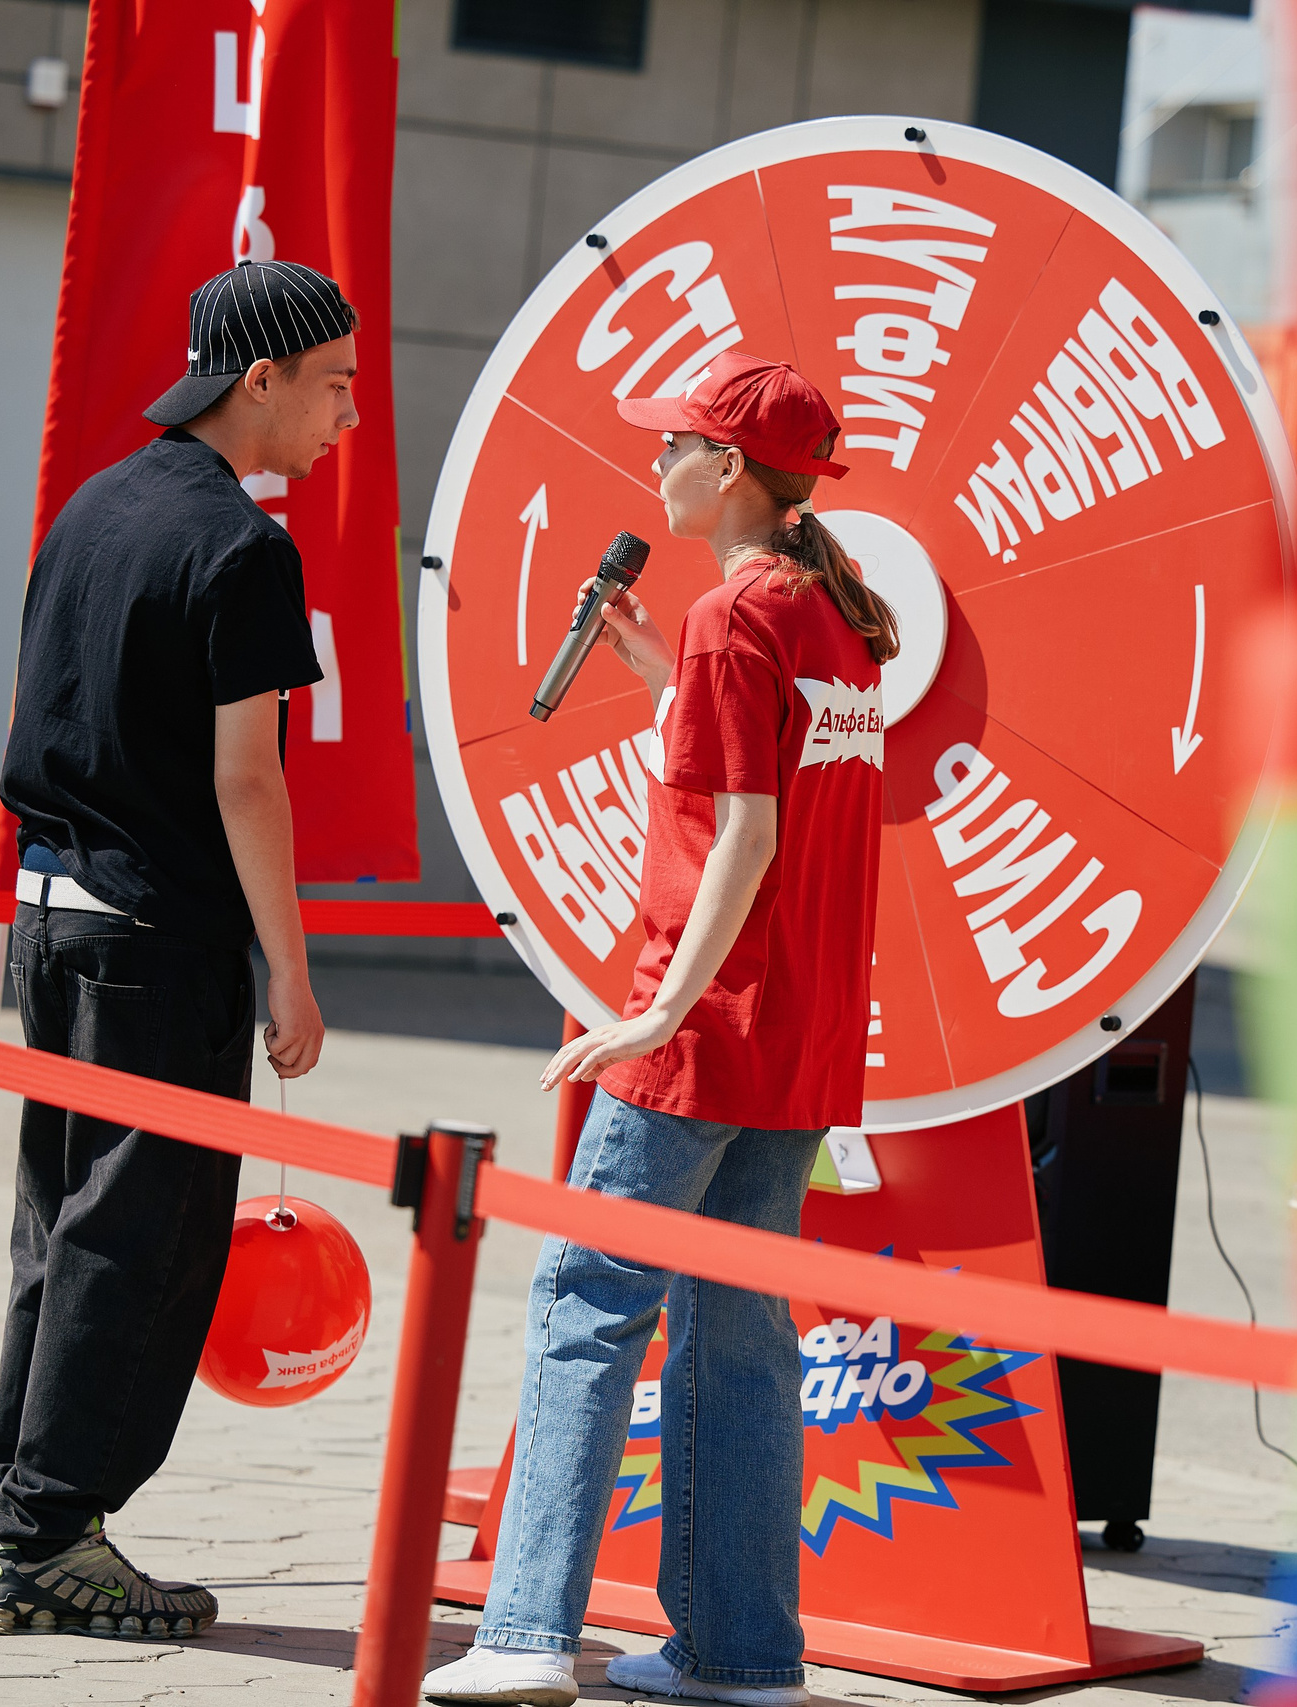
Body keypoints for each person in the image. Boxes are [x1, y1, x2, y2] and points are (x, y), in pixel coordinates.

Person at [422, 351, 898, 1707]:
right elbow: (761, 784)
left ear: (732, 468)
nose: (656, 466)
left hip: (707, 1040)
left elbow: (745, 832)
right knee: (740, 1330)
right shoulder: (830, 613)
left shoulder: (739, 614)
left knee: (585, 1305)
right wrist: (653, 668)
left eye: (674, 444)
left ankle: (523, 1631)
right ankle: (741, 1651)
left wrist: (655, 1010)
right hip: (799, 1046)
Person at [0, 258, 357, 1639]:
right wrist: (291, 968)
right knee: (145, 1236)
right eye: (336, 384)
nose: (346, 416)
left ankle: (20, 1505)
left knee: (59, 1218)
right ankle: (53, 1531)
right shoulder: (244, 547)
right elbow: (249, 779)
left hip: (51, 913)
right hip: (153, 938)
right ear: (262, 378)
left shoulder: (92, 505)